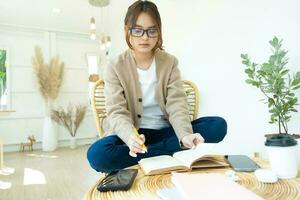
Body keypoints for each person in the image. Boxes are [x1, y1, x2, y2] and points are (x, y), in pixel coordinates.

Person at [87, 0, 227, 173]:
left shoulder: (169, 62)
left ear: (158, 32)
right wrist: (131, 138)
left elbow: (177, 103)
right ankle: (168, 152)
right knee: (97, 155)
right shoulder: (115, 66)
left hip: (166, 132)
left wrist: (184, 135)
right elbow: (116, 111)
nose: (145, 37)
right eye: (137, 30)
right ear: (127, 31)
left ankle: (164, 149)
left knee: (217, 126)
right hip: (133, 136)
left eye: (151, 31)